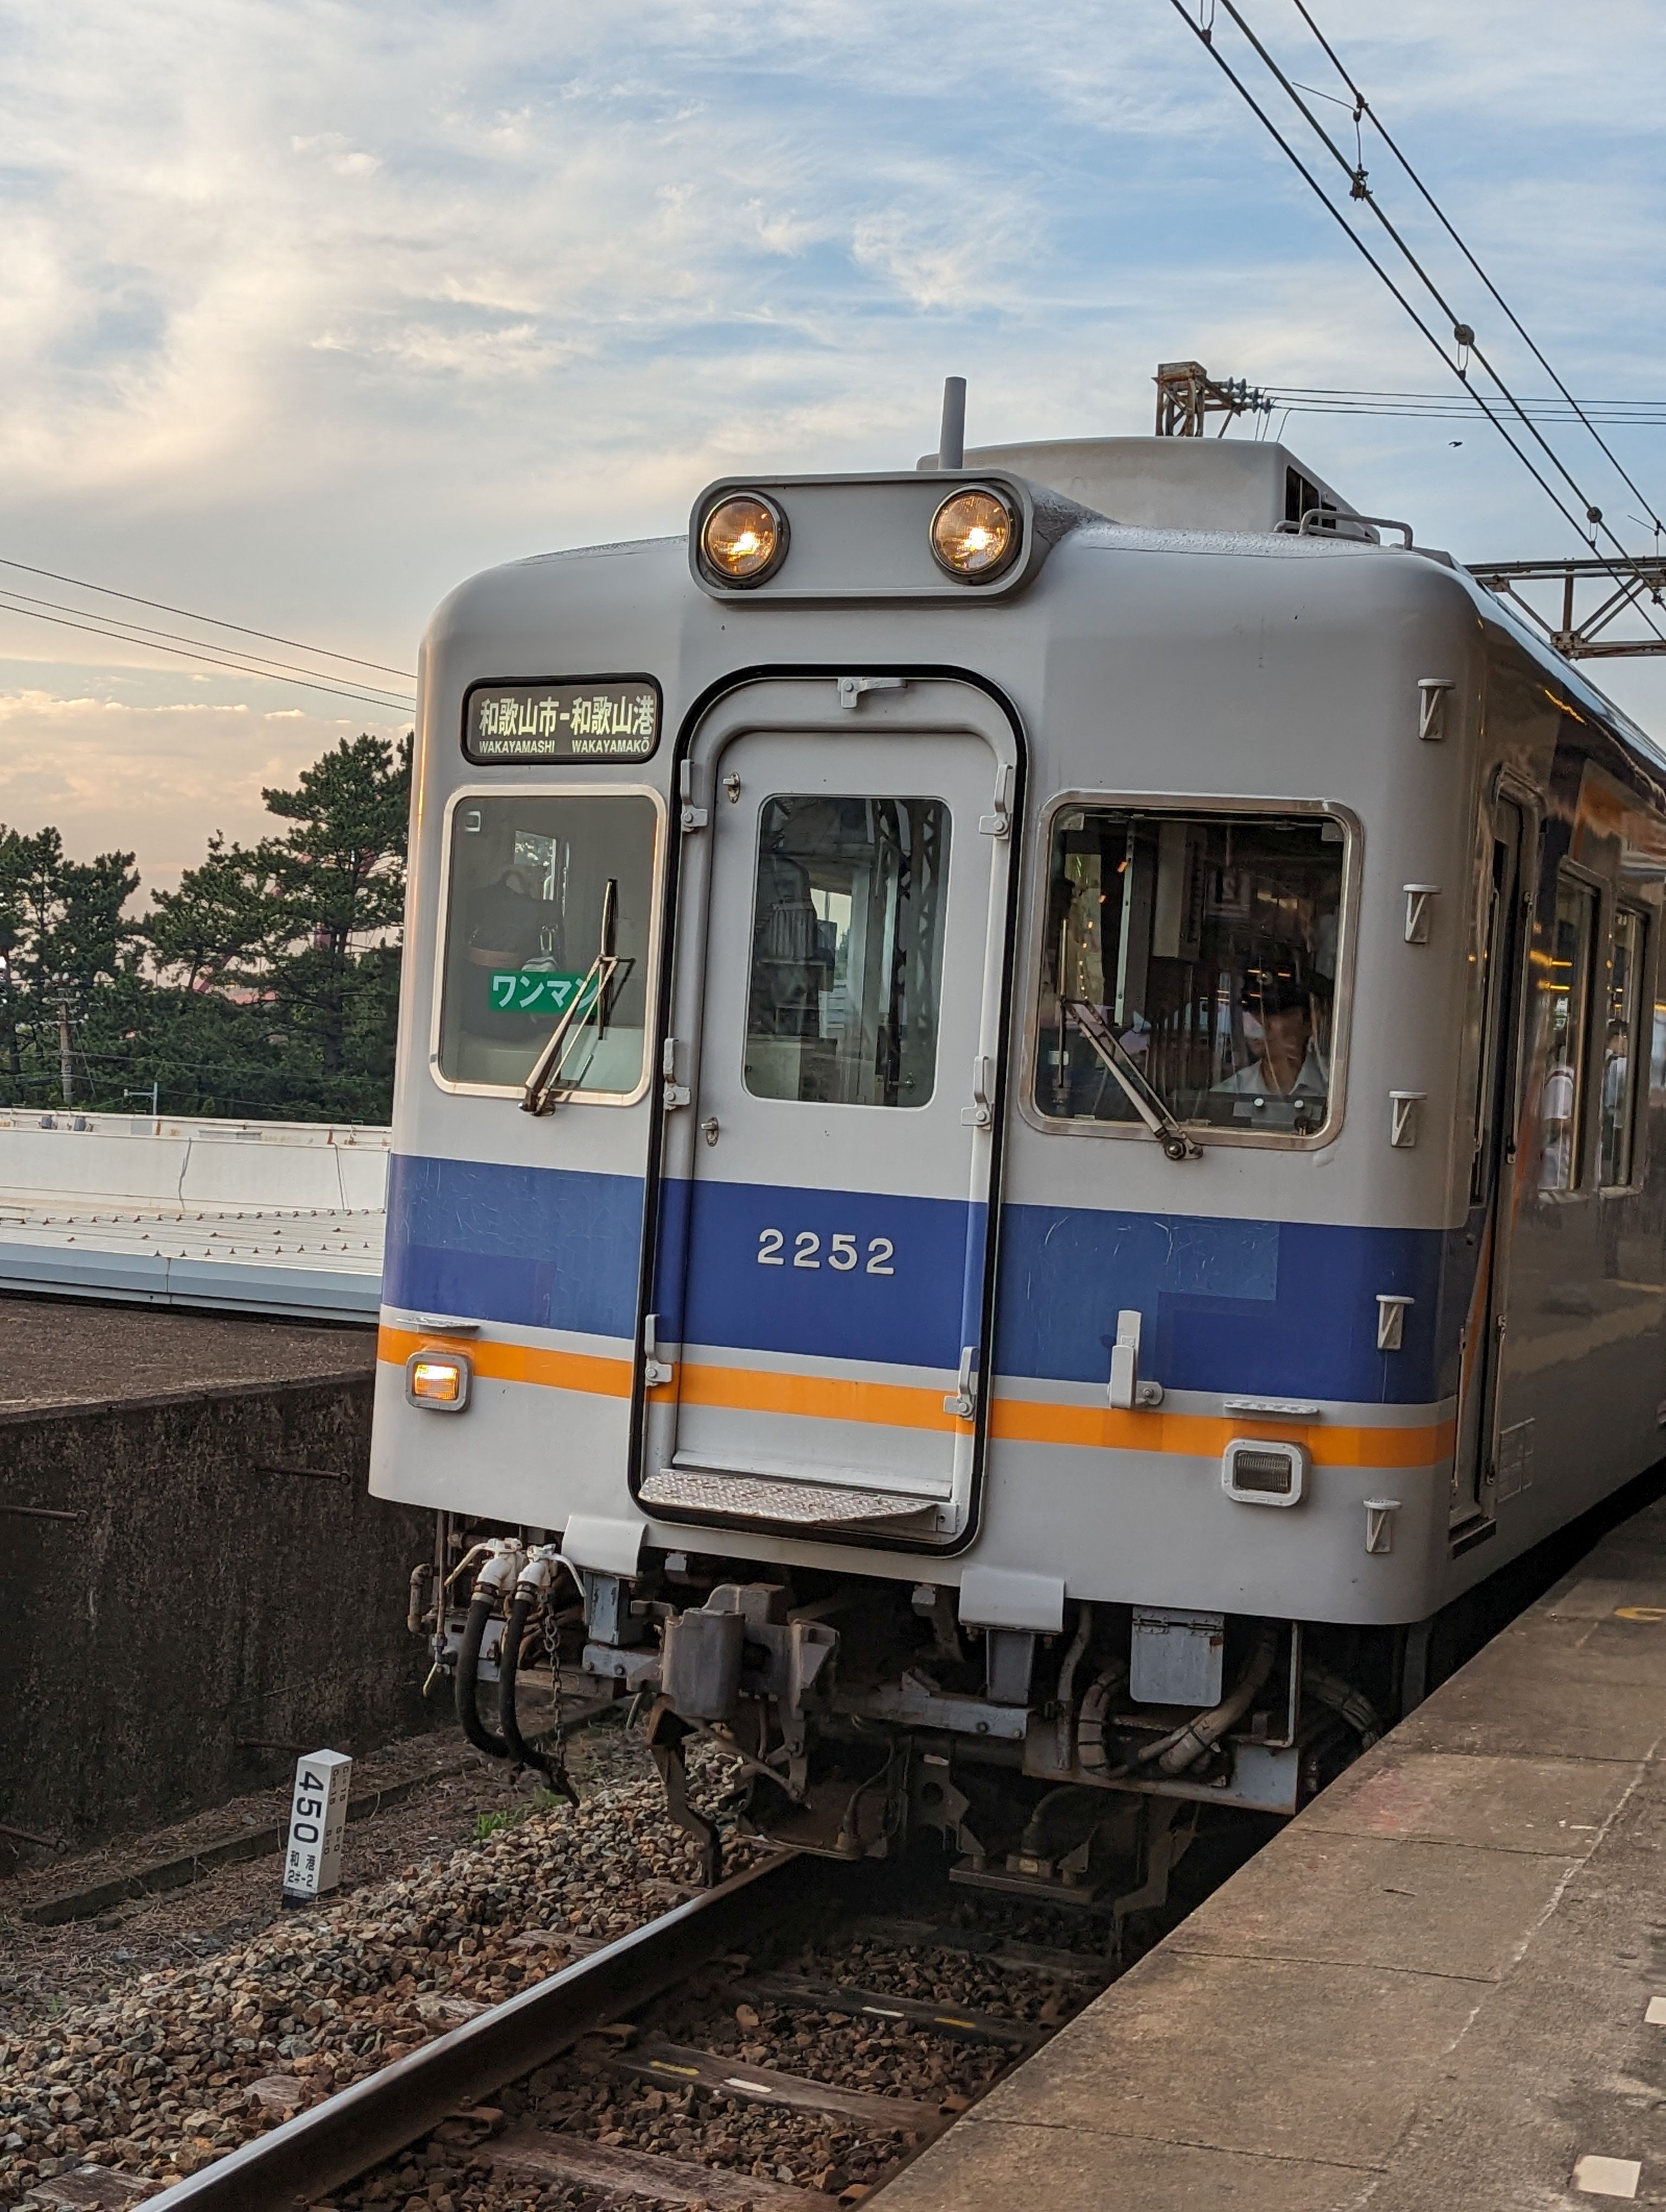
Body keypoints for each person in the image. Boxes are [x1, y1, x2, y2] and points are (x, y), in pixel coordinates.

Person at [1214, 962, 1329, 1107]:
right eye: (1253, 1011)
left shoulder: (1338, 1087)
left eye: (1273, 1013)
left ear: (1311, 1022)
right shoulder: (1226, 1096)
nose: (1260, 1024)